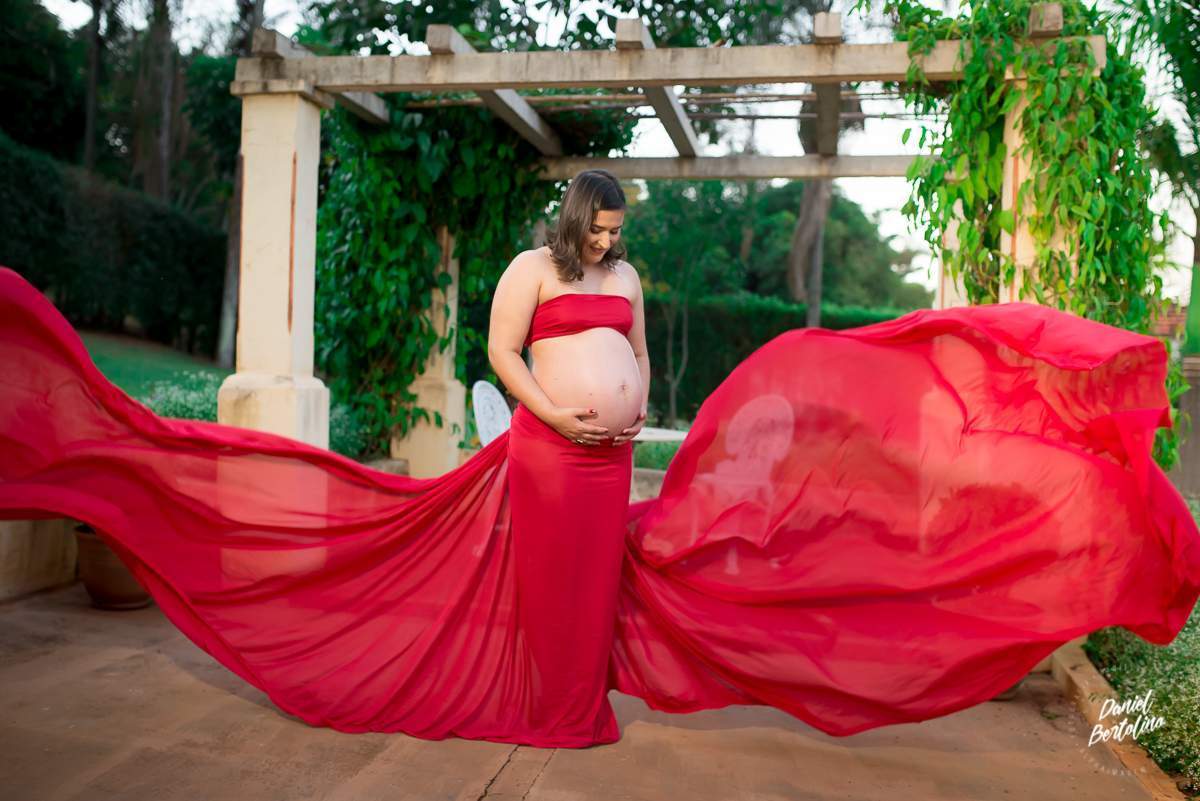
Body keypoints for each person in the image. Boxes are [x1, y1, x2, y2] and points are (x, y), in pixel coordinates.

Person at [0, 169, 1198, 750]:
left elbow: (629, 355)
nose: (616, 245)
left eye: (622, 233)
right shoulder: (536, 266)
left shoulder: (622, 280)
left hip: (600, 460)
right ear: (574, 220)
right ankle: (547, 705)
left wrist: (628, 414)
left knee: (595, 586)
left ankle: (575, 701)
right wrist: (556, 417)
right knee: (546, 584)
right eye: (606, 228)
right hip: (540, 454)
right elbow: (503, 352)